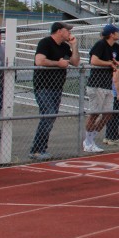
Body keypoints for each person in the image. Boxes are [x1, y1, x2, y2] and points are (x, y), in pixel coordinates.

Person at [30, 22, 80, 159]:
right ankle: (36, 149)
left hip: (57, 87)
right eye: (67, 30)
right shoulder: (45, 42)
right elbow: (39, 61)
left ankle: (41, 148)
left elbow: (75, 62)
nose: (69, 33)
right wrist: (58, 63)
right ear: (59, 31)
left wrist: (74, 45)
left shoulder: (64, 46)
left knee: (51, 117)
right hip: (43, 86)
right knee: (49, 114)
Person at [85, 24, 119, 153]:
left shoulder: (116, 47)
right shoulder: (100, 44)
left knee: (108, 114)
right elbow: (94, 60)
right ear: (111, 34)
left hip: (107, 85)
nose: (118, 34)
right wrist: (109, 64)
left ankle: (91, 139)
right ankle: (88, 142)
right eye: (116, 32)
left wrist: (117, 63)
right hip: (96, 84)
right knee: (94, 114)